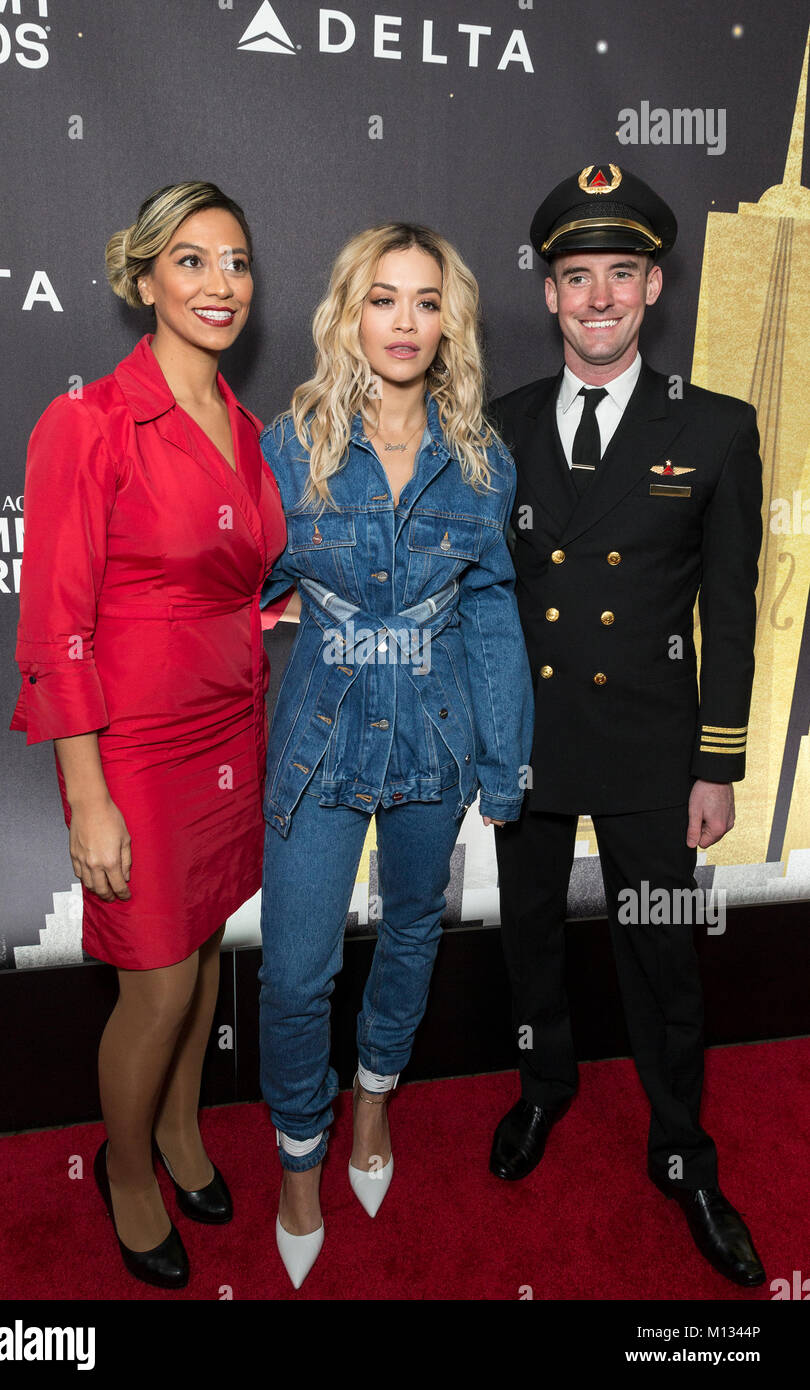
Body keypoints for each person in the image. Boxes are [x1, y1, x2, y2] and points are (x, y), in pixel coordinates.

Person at [488, 163, 765, 1288]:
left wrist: (718, 761)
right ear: (548, 293)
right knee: (527, 934)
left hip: (656, 752)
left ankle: (679, 1148)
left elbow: (730, 608)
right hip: (530, 739)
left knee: (661, 954)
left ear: (652, 285)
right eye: (573, 276)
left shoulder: (712, 428)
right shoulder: (494, 426)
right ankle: (542, 1084)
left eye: (618, 274)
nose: (595, 297)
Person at [9, 182, 287, 1289]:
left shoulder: (248, 425)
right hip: (133, 744)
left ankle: (180, 1133)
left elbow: (231, 579)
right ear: (142, 281)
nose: (220, 285)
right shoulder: (87, 422)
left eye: (236, 262)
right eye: (191, 261)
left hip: (230, 723)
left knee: (208, 948)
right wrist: (87, 797)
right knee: (159, 984)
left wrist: (275, 613)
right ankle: (125, 1170)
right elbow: (53, 624)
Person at [258, 222, 534, 1288]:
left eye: (427, 301)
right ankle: (298, 1159)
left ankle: (374, 1093)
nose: (406, 321)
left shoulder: (481, 461)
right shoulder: (289, 445)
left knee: (413, 926)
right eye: (384, 298)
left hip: (433, 735)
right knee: (294, 973)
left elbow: (492, 615)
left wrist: (502, 760)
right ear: (348, 313)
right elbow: (231, 570)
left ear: (450, 322)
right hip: (320, 739)